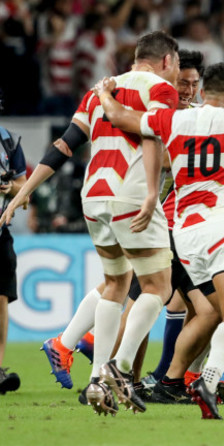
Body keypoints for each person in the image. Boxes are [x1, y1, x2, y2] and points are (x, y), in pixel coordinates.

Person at [95, 42, 224, 419]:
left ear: (202, 92)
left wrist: (105, 93)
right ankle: (207, 377)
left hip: (185, 234)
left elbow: (122, 117)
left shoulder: (173, 120)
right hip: (222, 226)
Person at [1, 30, 181, 415]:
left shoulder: (96, 91)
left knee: (116, 284)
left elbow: (64, 145)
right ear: (166, 61)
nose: (177, 73)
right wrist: (152, 191)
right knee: (158, 285)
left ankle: (98, 376)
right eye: (177, 64)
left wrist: (22, 191)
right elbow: (151, 135)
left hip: (93, 196)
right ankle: (118, 369)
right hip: (129, 192)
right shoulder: (162, 89)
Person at [0, 119, 26, 395]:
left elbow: (25, 190)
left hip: (0, 233)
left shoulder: (8, 141)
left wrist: (11, 189)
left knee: (0, 301)